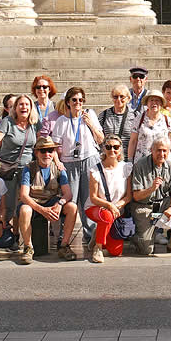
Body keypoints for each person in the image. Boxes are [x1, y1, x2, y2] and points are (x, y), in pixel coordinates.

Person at [52, 86, 104, 244]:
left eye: (81, 100)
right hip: (70, 162)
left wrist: (91, 124)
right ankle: (64, 235)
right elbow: (54, 146)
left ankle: (90, 235)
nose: (78, 103)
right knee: (71, 200)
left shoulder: (90, 115)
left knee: (89, 199)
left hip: (89, 159)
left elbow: (101, 139)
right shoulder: (62, 121)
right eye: (74, 100)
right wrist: (58, 163)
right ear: (68, 102)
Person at [17, 136, 77, 262]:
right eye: (43, 151)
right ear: (36, 153)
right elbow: (24, 195)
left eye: (50, 150)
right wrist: (42, 209)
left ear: (54, 152)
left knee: (72, 207)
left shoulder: (60, 169)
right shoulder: (29, 169)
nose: (47, 154)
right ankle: (28, 248)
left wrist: (60, 204)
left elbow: (68, 194)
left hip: (52, 201)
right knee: (24, 210)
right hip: (34, 203)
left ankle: (64, 245)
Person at [130, 138, 171, 257]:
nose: (162, 154)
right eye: (158, 150)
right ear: (151, 150)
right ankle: (136, 237)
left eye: (165, 151)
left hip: (162, 204)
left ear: (169, 152)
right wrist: (151, 188)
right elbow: (136, 196)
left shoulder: (170, 165)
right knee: (146, 250)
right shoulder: (140, 165)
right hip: (144, 206)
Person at [0, 93, 37, 228]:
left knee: (24, 204)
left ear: (31, 107)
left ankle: (17, 234)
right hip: (8, 169)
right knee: (8, 205)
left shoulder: (34, 124)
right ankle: (2, 232)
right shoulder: (7, 122)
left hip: (27, 169)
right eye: (21, 104)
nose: (24, 107)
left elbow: (42, 144)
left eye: (27, 104)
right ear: (15, 108)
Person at [85, 134, 132, 263]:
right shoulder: (95, 170)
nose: (112, 150)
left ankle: (98, 234)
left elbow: (128, 196)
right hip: (96, 207)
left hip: (116, 209)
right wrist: (110, 206)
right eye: (108, 147)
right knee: (106, 216)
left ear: (121, 149)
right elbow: (93, 197)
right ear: (104, 149)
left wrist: (117, 206)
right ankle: (98, 248)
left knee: (116, 251)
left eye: (116, 147)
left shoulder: (126, 168)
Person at [128, 90, 171, 164]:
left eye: (157, 100)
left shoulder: (167, 120)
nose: (154, 103)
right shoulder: (139, 119)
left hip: (163, 163)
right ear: (147, 103)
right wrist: (130, 161)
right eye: (151, 100)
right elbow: (133, 141)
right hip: (142, 163)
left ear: (161, 104)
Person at [98, 85, 134, 158]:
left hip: (127, 160)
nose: (118, 99)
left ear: (128, 98)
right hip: (108, 158)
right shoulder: (104, 115)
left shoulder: (135, 116)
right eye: (115, 97)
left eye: (122, 97)